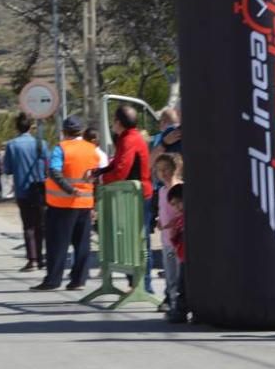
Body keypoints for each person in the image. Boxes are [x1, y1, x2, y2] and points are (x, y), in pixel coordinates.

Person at [31, 115, 99, 291]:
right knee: (82, 244)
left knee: (57, 244)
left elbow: (54, 171)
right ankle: (78, 280)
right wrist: (94, 203)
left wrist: (69, 189)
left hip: (62, 205)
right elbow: (97, 176)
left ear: (63, 131)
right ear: (82, 131)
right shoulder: (92, 149)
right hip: (85, 203)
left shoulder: (61, 148)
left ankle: (53, 280)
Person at [92, 105, 153, 292]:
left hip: (137, 197)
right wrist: (100, 172)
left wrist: (102, 179)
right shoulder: (128, 138)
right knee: (132, 239)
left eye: (113, 120)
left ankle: (143, 284)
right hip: (133, 196)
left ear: (118, 122)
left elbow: (121, 170)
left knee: (139, 241)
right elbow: (116, 164)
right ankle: (136, 283)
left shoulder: (129, 140)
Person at [3, 113, 49, 272]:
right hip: (40, 190)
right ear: (31, 127)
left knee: (28, 225)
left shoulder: (12, 145)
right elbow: (49, 167)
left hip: (22, 190)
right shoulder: (41, 144)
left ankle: (32, 260)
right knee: (41, 225)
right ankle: (42, 258)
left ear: (17, 127)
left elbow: (7, 169)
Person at [154, 153, 184, 314]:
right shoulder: (161, 191)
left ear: (175, 168)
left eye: (166, 169)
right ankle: (173, 303)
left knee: (180, 274)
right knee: (170, 275)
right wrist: (160, 220)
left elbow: (182, 212)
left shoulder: (180, 188)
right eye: (159, 170)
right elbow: (163, 210)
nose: (163, 173)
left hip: (180, 241)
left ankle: (179, 304)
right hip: (167, 241)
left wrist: (173, 223)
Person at [164, 183, 189, 323]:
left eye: (179, 202)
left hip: (187, 258)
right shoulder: (179, 220)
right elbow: (175, 242)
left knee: (183, 287)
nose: (177, 206)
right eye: (174, 204)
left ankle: (181, 312)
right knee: (182, 286)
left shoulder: (187, 218)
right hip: (182, 257)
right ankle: (180, 311)